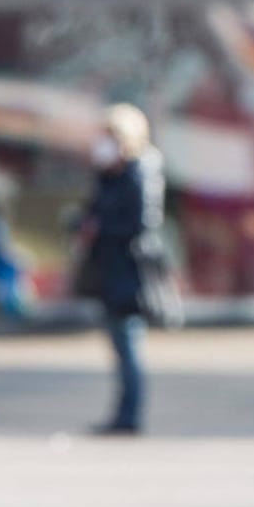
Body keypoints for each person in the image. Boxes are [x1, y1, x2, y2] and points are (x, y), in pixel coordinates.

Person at [78, 103, 165, 435]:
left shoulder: (140, 171)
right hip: (107, 271)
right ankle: (121, 413)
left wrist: (101, 228)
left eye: (109, 137)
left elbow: (141, 222)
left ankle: (129, 416)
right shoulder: (106, 175)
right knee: (118, 345)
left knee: (128, 344)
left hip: (128, 274)